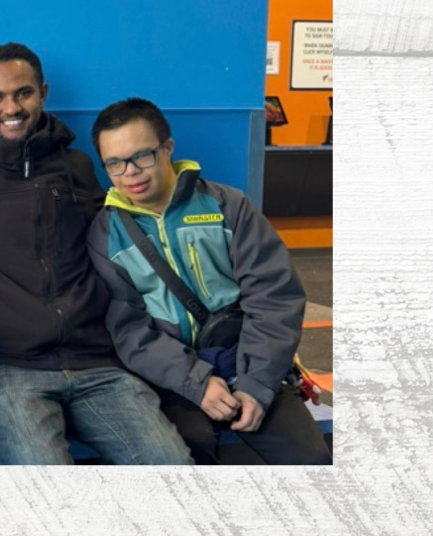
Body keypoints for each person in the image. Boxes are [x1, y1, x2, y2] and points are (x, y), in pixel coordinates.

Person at [0, 43, 190, 464]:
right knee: (46, 490)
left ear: (42, 93)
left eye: (23, 93)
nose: (11, 108)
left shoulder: (77, 167)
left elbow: (118, 243)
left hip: (100, 364)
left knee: (172, 470)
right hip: (7, 371)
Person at [87, 98, 331, 464]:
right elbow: (129, 330)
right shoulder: (106, 234)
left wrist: (257, 384)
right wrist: (196, 382)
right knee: (188, 450)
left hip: (246, 361)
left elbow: (273, 297)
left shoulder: (227, 206)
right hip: (172, 378)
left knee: (310, 459)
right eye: (115, 163)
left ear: (167, 148)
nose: (131, 172)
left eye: (142, 156)